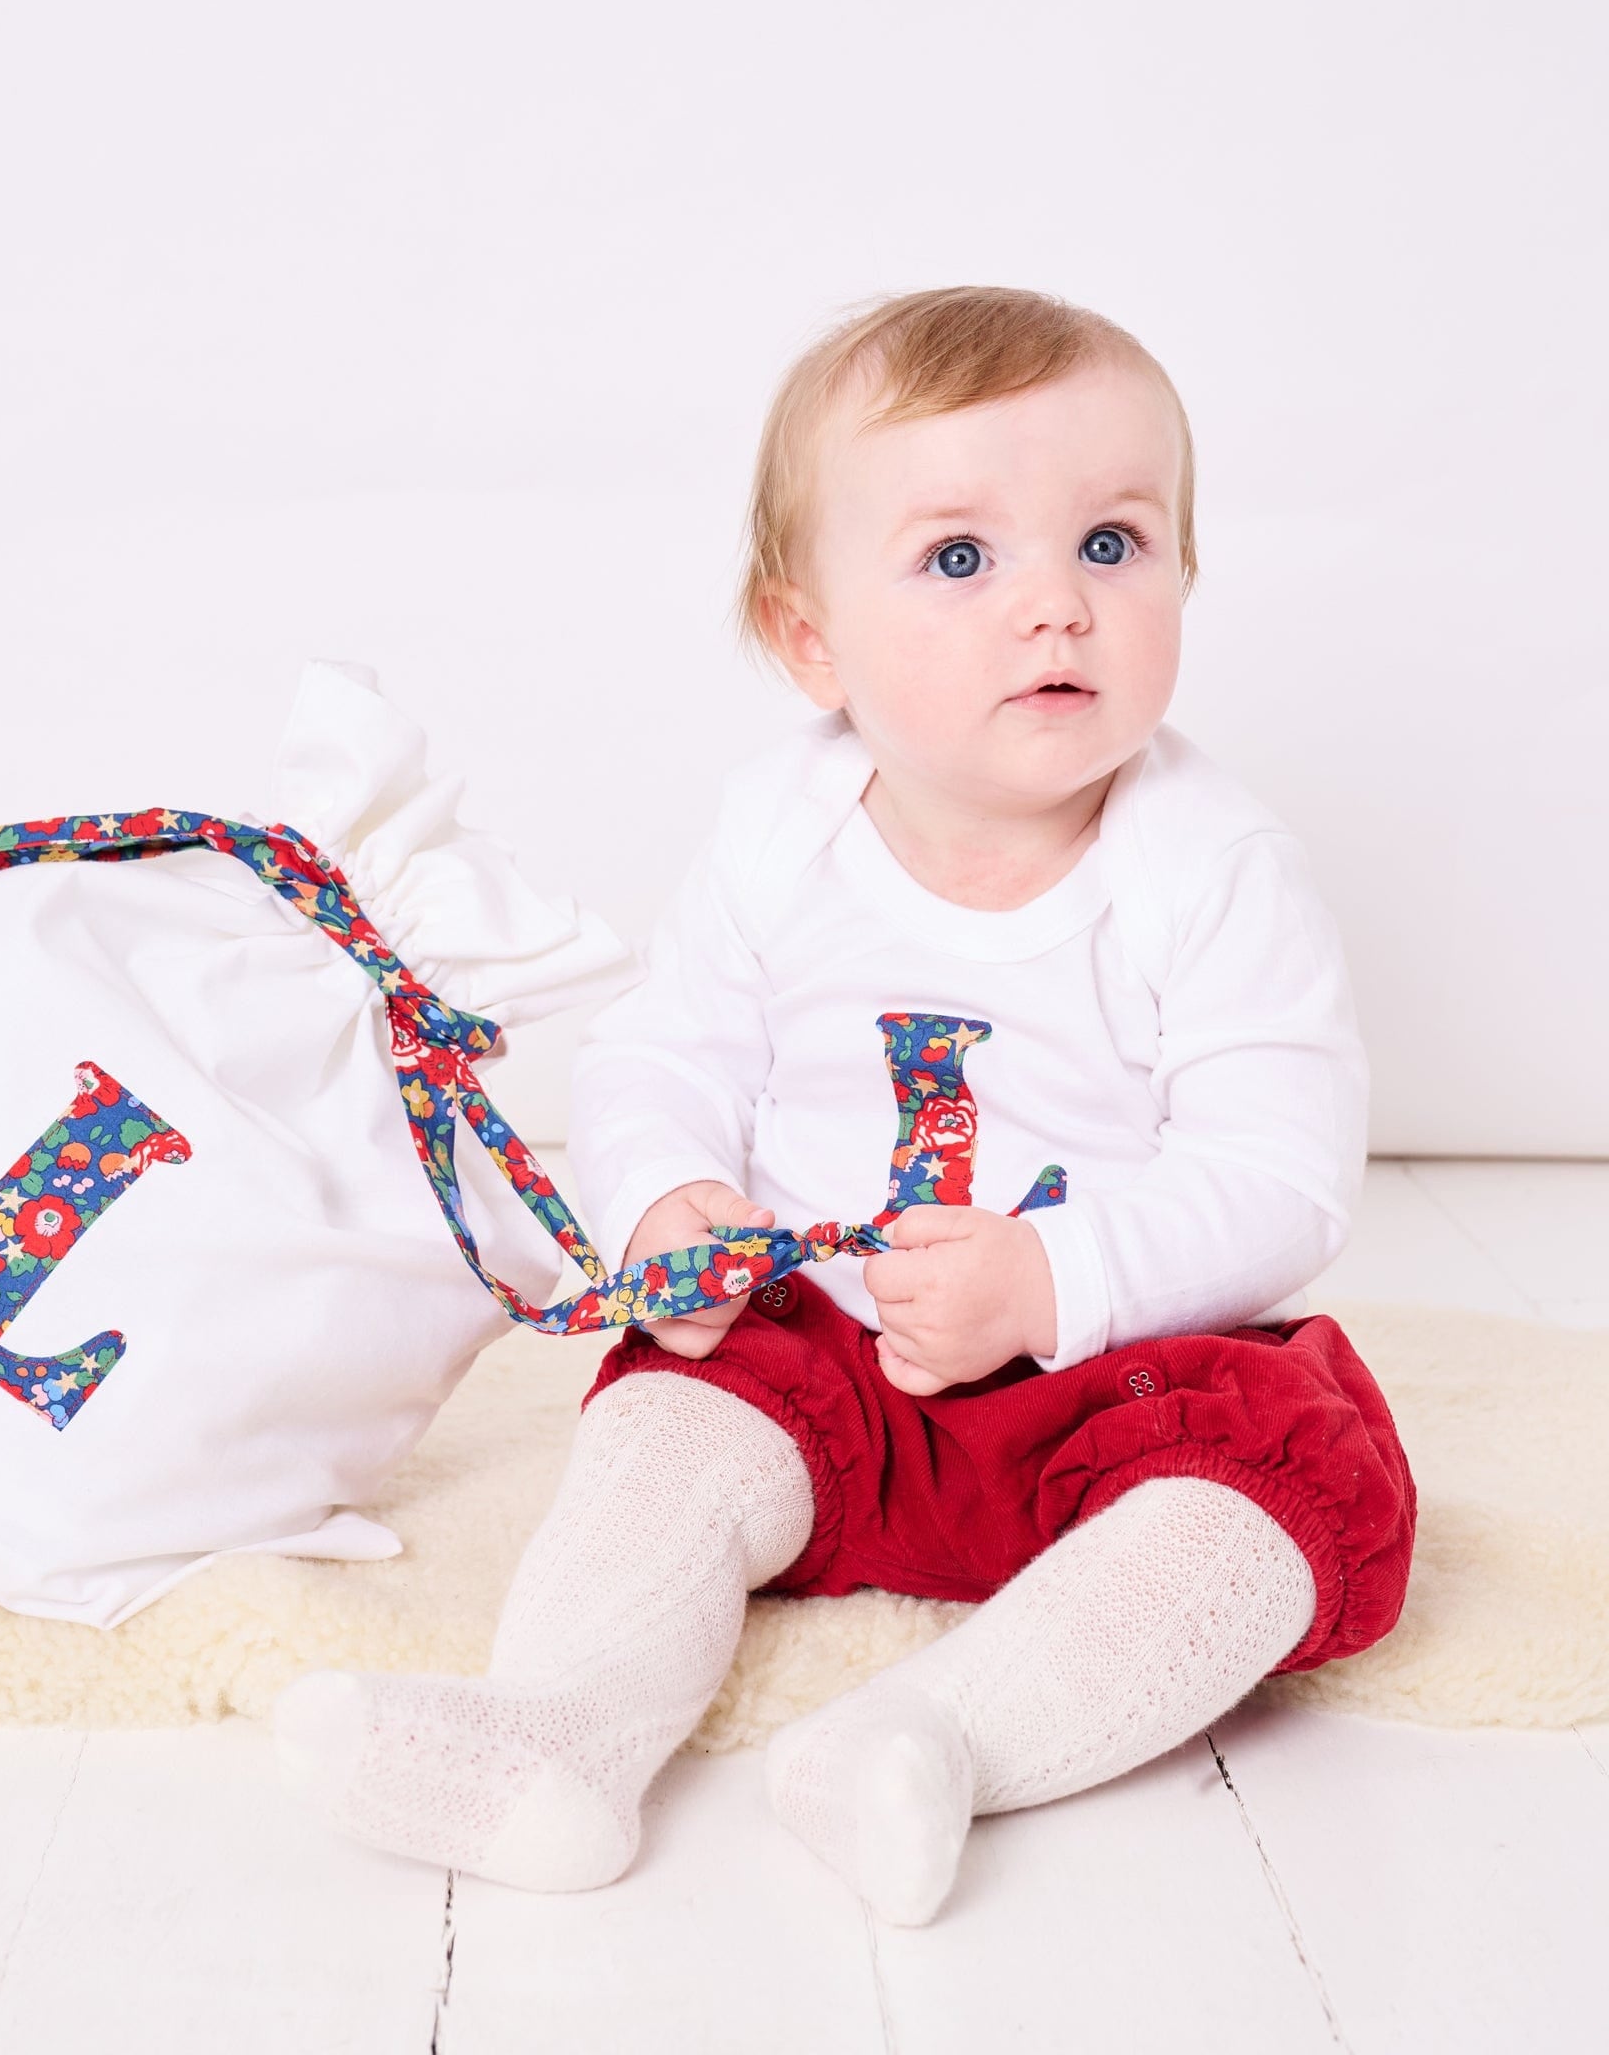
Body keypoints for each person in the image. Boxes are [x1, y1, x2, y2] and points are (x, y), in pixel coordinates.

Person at [272, 286, 1415, 1923]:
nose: (1057, 607)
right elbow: (664, 1055)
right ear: (811, 640)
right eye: (961, 558)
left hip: (1109, 1388)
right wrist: (667, 1202)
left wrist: (1052, 1282)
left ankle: (932, 1741)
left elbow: (1282, 1176)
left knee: (1282, 1495)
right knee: (670, 1417)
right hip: (828, 1365)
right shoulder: (782, 829)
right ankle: (560, 1735)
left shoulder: (1212, 866)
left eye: (1112, 544)